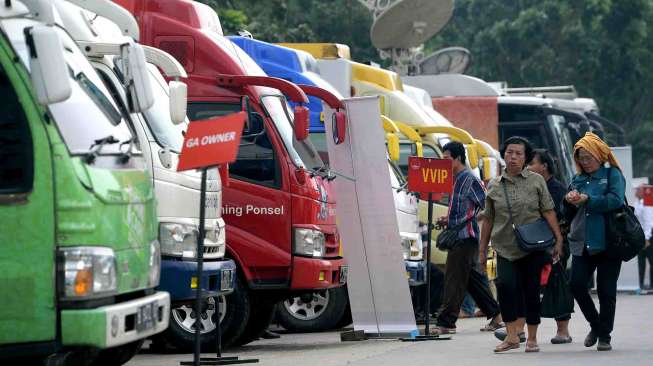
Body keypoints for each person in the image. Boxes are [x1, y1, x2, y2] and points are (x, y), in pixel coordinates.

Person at [479, 137, 564, 353]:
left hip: (532, 247)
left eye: (518, 153)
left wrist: (558, 239)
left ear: (525, 158)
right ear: (504, 155)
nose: (513, 157)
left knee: (531, 291)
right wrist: (482, 251)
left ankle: (532, 337)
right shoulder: (495, 185)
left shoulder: (536, 181)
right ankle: (511, 336)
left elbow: (548, 210)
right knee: (506, 288)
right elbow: (488, 219)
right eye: (509, 153)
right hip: (505, 247)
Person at [494, 148, 573, 344]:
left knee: (556, 286)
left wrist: (558, 242)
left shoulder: (556, 189)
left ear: (544, 166)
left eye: (531, 163)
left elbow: (556, 216)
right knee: (523, 286)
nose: (527, 167)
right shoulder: (523, 185)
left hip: (552, 244)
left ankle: (563, 330)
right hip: (528, 244)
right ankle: (519, 329)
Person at [430, 141, 503, 335]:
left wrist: (469, 219)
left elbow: (488, 205)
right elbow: (465, 208)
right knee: (473, 280)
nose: (443, 163)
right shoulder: (456, 179)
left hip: (466, 237)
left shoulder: (469, 179)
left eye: (447, 159)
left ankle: (446, 323)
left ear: (458, 158)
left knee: (453, 279)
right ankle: (496, 315)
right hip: (458, 236)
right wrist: (449, 219)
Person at [564, 133, 625, 351]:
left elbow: (616, 200)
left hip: (609, 241)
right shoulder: (577, 179)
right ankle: (596, 324)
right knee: (576, 284)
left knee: (606, 291)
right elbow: (568, 210)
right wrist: (569, 200)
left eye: (588, 157)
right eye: (580, 158)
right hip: (582, 241)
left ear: (599, 155)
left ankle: (605, 335)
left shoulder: (612, 175)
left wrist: (589, 200)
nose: (584, 162)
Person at [634, 185, 653, 290]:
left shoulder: (648, 202)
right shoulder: (638, 202)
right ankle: (640, 283)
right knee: (641, 261)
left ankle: (652, 285)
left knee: (651, 261)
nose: (636, 191)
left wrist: (647, 238)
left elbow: (648, 221)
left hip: (648, 235)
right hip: (641, 235)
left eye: (639, 189)